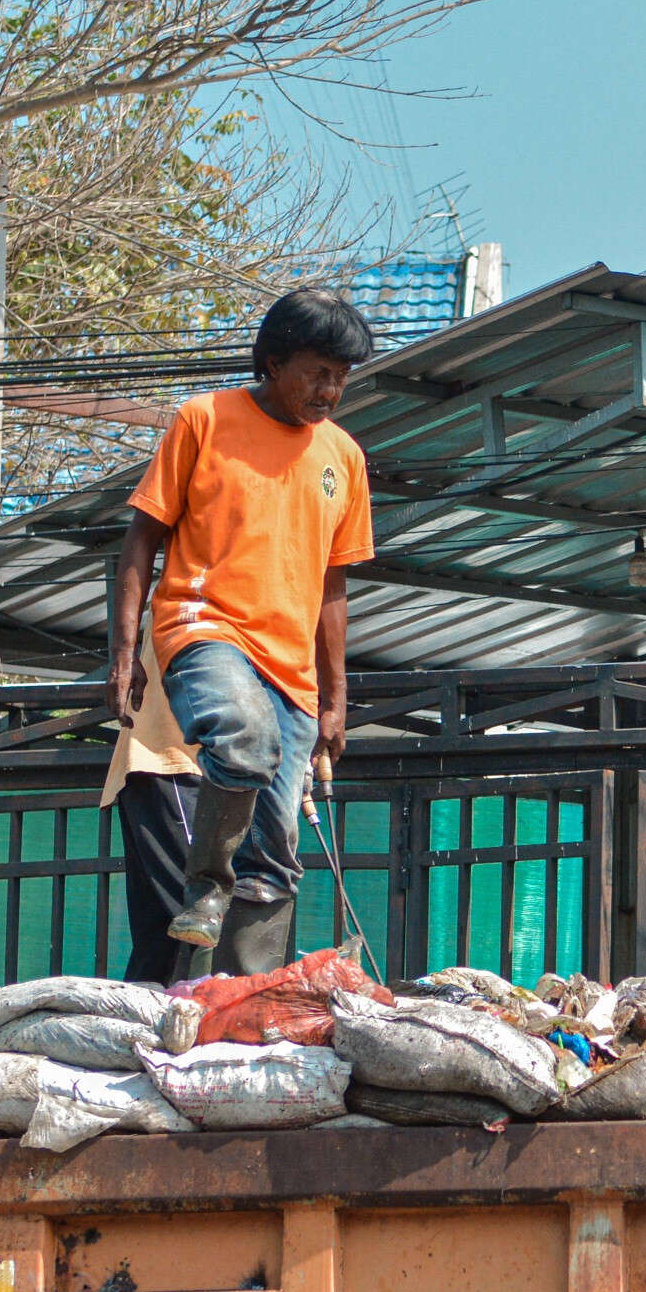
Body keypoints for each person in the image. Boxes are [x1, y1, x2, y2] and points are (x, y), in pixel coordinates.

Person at [107, 288, 377, 976]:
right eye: (318, 372)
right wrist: (122, 651)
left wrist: (335, 699)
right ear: (275, 361)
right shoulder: (205, 419)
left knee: (278, 851)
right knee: (242, 736)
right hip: (203, 626)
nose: (330, 390)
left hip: (292, 669)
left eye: (342, 378)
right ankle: (206, 888)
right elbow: (141, 538)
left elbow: (332, 584)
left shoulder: (343, 457)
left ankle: (244, 998)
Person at [101, 622, 202, 984]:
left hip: (157, 764)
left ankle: (136, 1020)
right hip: (173, 759)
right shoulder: (203, 590)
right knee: (201, 914)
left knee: (162, 934)